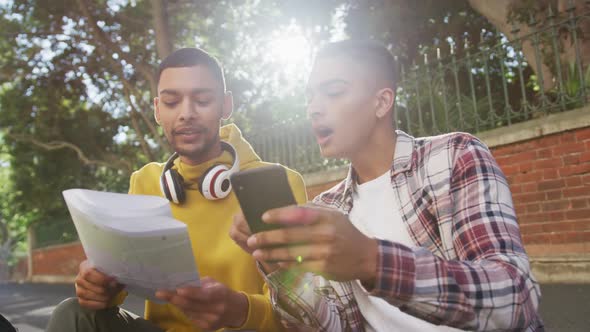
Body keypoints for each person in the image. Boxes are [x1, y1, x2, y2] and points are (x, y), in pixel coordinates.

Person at [230, 40, 544, 331]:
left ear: (381, 103)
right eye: (310, 96)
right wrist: (282, 270)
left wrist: (372, 260)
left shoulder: (453, 156)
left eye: (334, 92)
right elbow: (335, 326)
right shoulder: (327, 208)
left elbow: (514, 296)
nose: (313, 108)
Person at [46, 47, 307, 332]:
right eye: (171, 102)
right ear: (158, 110)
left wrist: (240, 310)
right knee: (73, 313)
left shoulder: (275, 182)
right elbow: (119, 288)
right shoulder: (145, 180)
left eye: (203, 99)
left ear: (225, 105)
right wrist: (99, 286)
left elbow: (301, 314)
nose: (186, 114)